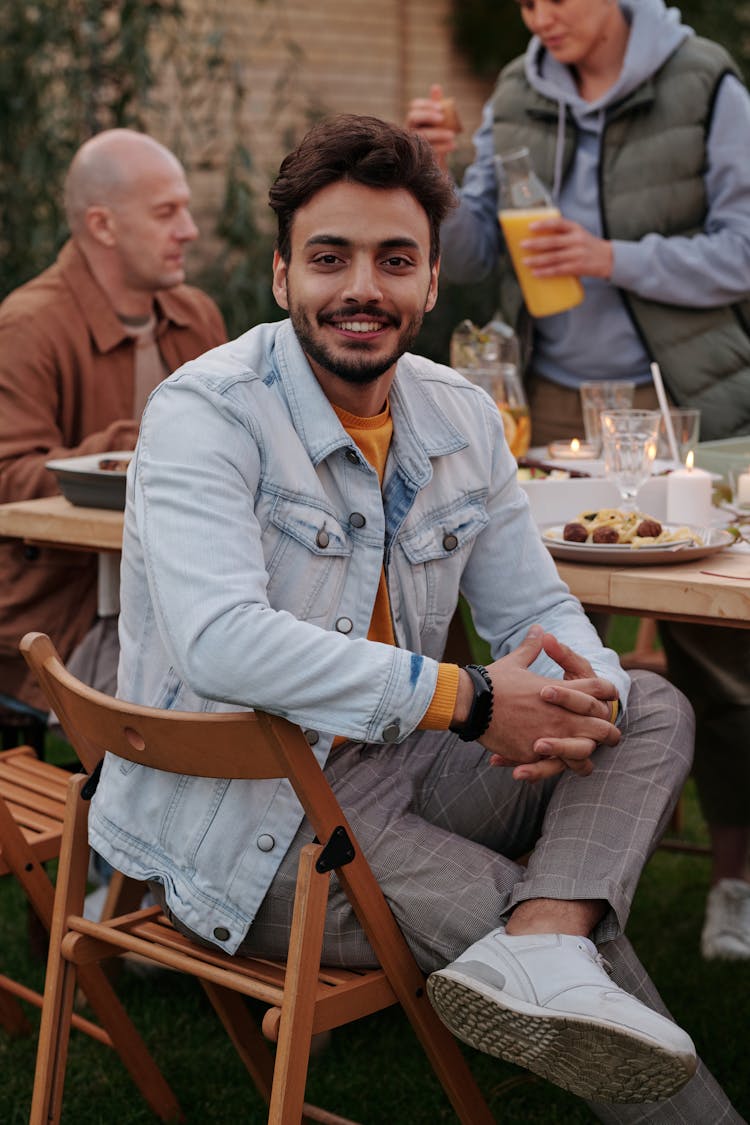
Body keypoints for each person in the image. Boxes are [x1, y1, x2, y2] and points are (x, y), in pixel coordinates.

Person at [88, 114, 742, 1120]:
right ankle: (584, 975)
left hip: (397, 759)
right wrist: (473, 700)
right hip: (257, 818)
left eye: (395, 260)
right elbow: (219, 643)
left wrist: (586, 692)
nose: (363, 287)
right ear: (280, 277)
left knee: (646, 705)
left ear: (432, 283)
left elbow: (537, 609)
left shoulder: (458, 417)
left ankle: (545, 940)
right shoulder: (206, 413)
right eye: (329, 258)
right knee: (595, 975)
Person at [407, 0, 750, 961]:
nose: (540, 14)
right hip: (553, 411)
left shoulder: (705, 82)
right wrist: (433, 182)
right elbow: (471, 256)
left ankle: (736, 880)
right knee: (541, 638)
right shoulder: (520, 89)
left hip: (694, 414)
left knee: (722, 658)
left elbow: (746, 243)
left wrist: (612, 257)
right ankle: (547, 871)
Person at [0, 128, 226, 717]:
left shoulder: (196, 316)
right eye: (166, 212)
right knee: (212, 714)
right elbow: (6, 478)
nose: (189, 230)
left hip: (192, 597)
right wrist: (151, 440)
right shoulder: (29, 326)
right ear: (103, 226)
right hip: (66, 617)